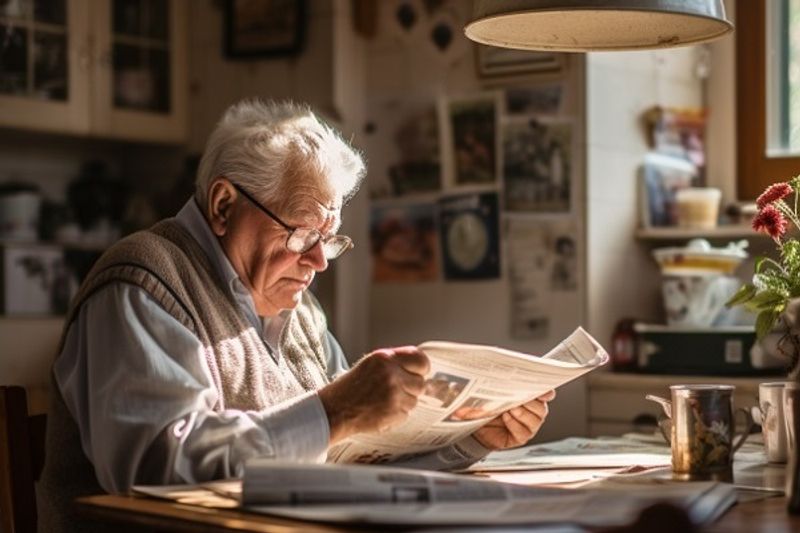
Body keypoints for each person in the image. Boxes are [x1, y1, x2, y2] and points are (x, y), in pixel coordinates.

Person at [38, 100, 555, 532]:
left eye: (329, 240)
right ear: (223, 206)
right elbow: (159, 470)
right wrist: (336, 410)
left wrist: (470, 441)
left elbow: (347, 458)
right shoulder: (142, 282)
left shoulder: (300, 310)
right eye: (305, 235)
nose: (320, 261)